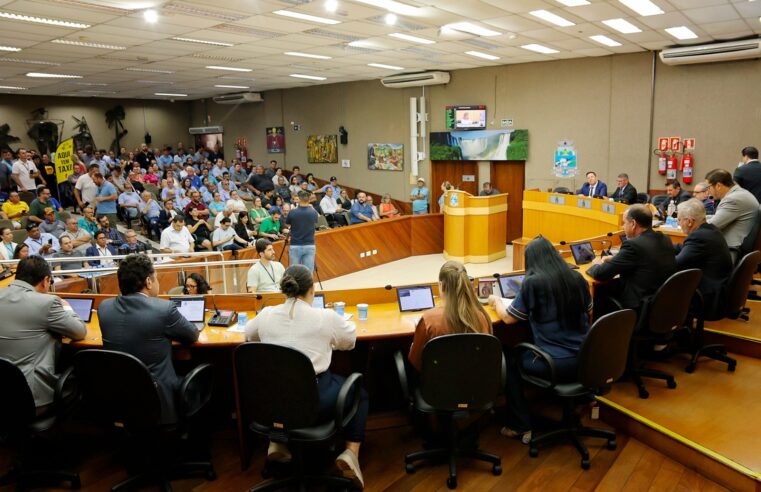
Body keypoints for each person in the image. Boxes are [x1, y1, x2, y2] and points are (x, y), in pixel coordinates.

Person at [245, 264, 368, 489]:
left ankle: (278, 440)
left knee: (281, 382)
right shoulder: (325, 317)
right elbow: (349, 342)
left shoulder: (266, 315)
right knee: (359, 392)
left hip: (271, 402)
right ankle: (351, 453)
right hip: (314, 403)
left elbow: (248, 336)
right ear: (312, 290)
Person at [489, 237, 591, 442]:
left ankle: (520, 425)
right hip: (587, 359)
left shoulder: (533, 282)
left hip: (554, 364)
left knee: (508, 358)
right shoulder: (577, 278)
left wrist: (496, 301)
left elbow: (508, 318)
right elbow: (589, 312)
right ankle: (581, 399)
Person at [98, 254, 199, 423]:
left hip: (120, 395)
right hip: (158, 394)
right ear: (148, 282)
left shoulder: (104, 308)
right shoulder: (163, 309)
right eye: (156, 278)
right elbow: (192, 335)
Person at [0, 256, 86, 411]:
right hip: (31, 399)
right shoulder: (47, 302)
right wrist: (67, 308)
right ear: (46, 280)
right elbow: (79, 332)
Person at [587, 204, 676, 313]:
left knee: (598, 293)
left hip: (638, 307)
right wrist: (616, 259)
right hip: (660, 305)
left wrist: (596, 263)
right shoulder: (665, 238)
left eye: (624, 223)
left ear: (633, 224)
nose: (623, 227)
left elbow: (601, 274)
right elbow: (643, 260)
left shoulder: (633, 245)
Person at [408, 261, 492, 371]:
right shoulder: (482, 317)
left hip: (438, 386)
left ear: (441, 286)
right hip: (476, 385)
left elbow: (416, 363)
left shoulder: (429, 320)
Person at [675, 199, 732, 318]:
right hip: (718, 290)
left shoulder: (699, 237)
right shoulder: (710, 230)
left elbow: (677, 264)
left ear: (689, 221)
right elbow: (684, 248)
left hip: (706, 299)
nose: (678, 223)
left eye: (679, 219)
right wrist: (664, 246)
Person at [705, 168, 759, 258]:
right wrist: (701, 218)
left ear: (718, 185)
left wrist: (693, 222)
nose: (708, 192)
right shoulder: (740, 193)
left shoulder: (733, 199)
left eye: (708, 187)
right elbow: (717, 217)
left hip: (728, 252)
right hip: (731, 248)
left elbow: (710, 226)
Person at [286, 190, 319, 272]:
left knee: (294, 272)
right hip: (309, 245)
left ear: (299, 199)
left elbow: (288, 225)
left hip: (295, 245)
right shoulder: (313, 212)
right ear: (309, 200)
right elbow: (315, 222)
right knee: (308, 272)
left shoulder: (292, 212)